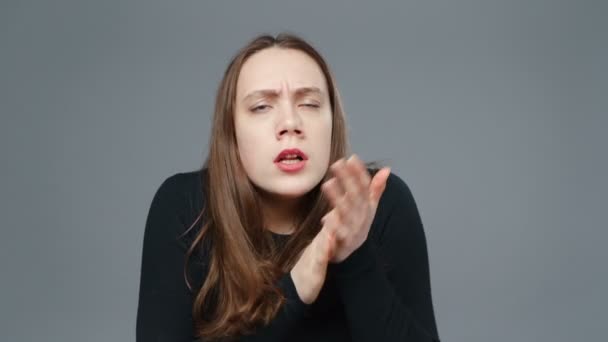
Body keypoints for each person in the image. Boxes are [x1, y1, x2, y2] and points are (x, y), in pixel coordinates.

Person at [136, 33, 441, 342]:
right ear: (232, 130)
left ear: (332, 122)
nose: (290, 122)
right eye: (261, 107)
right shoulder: (184, 206)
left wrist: (355, 255)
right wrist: (297, 286)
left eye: (309, 104)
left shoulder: (378, 202)